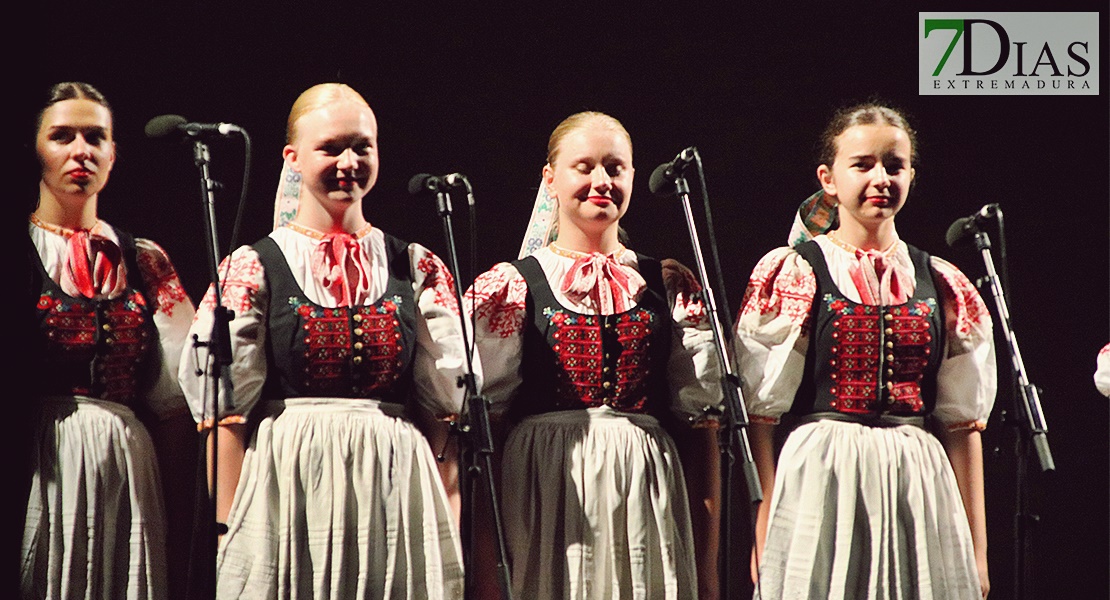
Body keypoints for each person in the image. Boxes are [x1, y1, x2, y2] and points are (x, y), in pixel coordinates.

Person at [178, 82, 467, 599]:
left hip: (396, 481)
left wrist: (445, 516)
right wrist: (231, 530)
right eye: (330, 148)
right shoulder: (254, 266)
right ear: (293, 158)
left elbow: (444, 410)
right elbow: (223, 412)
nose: (349, 161)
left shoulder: (415, 265)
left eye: (362, 146)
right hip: (290, 478)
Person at [734, 103, 995, 599]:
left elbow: (962, 426)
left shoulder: (940, 280)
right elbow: (760, 416)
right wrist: (764, 521)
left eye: (894, 166)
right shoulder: (797, 271)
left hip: (916, 473)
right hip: (822, 472)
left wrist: (977, 550)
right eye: (863, 164)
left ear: (911, 176)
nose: (881, 178)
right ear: (828, 179)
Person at [465, 111, 723, 599]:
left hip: (643, 488)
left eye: (615, 167)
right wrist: (486, 566)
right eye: (584, 167)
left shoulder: (665, 283)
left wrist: (706, 567)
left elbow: (703, 430)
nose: (600, 181)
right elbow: (485, 435)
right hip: (544, 487)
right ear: (551, 178)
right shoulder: (514, 287)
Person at [22, 81, 196, 599]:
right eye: (63, 136)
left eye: (95, 137)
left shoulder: (144, 261)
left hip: (126, 467)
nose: (81, 150)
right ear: (36, 148)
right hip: (36, 459)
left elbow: (175, 404)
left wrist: (179, 511)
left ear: (113, 154)